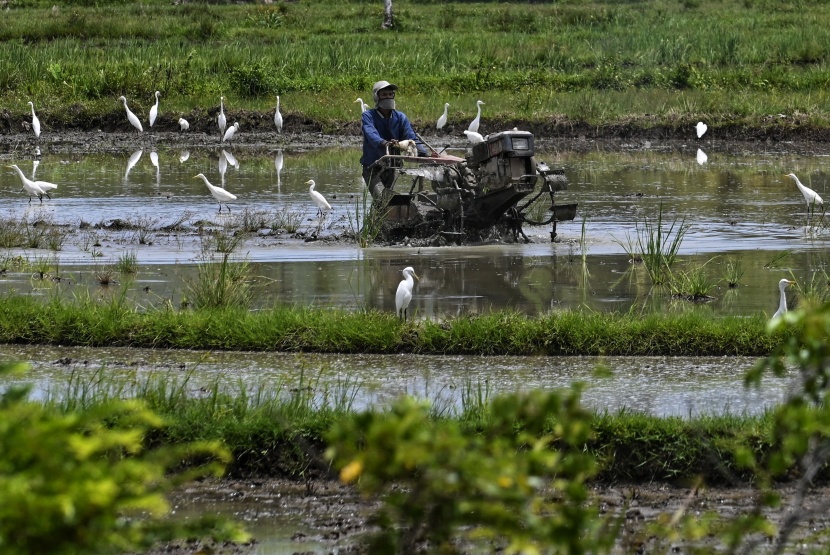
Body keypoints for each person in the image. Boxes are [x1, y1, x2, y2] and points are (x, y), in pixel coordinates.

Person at [360, 80, 429, 199]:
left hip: (392, 166)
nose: (388, 97)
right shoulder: (368, 116)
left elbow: (411, 137)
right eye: (384, 95)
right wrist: (384, 143)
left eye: (390, 94)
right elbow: (371, 134)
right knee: (382, 199)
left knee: (387, 199)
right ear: (377, 97)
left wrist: (424, 153)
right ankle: (379, 216)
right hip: (373, 167)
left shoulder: (400, 117)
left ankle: (379, 217)